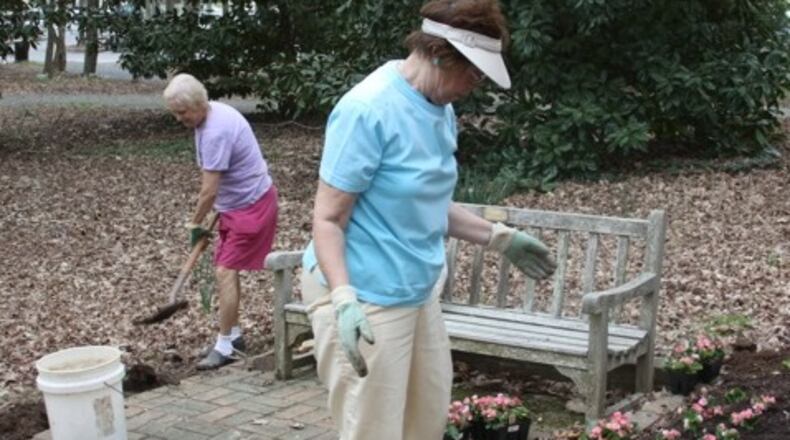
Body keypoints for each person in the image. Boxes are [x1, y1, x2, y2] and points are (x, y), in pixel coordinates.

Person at [300, 1, 557, 438]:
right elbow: (327, 219)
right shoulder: (367, 110)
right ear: (440, 54)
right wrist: (344, 299)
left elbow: (428, 203)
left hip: (417, 292)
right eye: (474, 73)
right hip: (366, 295)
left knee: (426, 419)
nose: (476, 85)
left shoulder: (440, 109)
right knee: (374, 429)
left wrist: (500, 238)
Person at [163, 73, 278, 370]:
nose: (178, 119)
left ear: (199, 104)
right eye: (175, 113)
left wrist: (195, 224)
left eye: (182, 112)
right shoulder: (210, 114)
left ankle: (225, 345)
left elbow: (208, 190)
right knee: (225, 270)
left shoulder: (215, 131)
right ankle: (234, 336)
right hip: (237, 204)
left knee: (225, 271)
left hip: (251, 207)